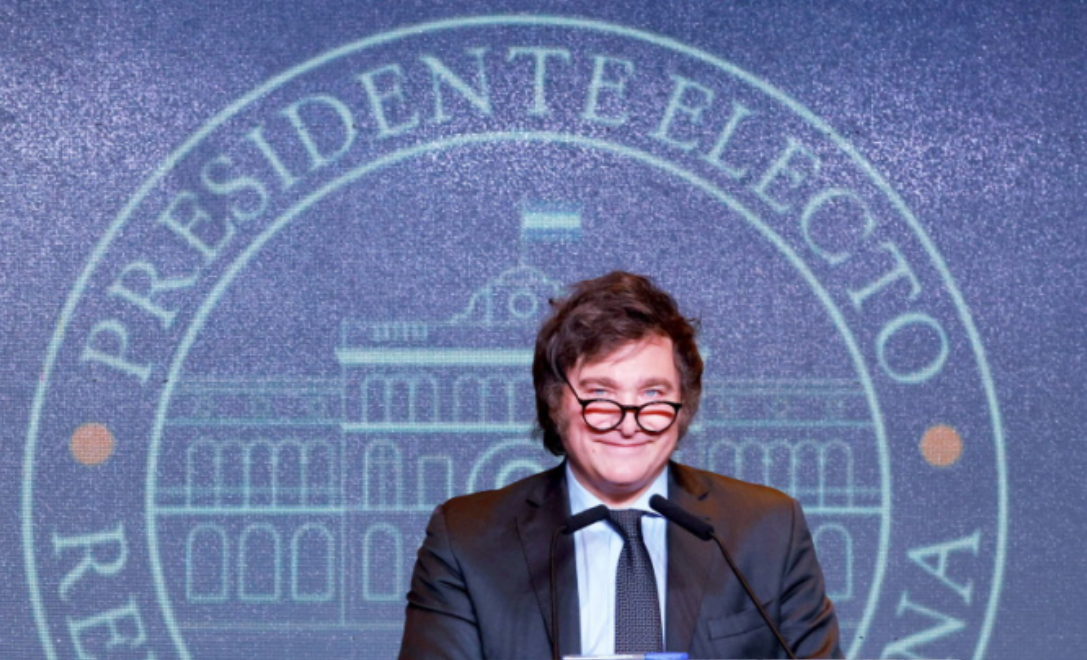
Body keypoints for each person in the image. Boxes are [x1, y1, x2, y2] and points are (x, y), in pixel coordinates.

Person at [399, 271, 842, 659]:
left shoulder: (767, 529)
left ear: (684, 406)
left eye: (652, 395)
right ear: (555, 402)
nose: (628, 423)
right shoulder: (466, 540)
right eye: (601, 394)